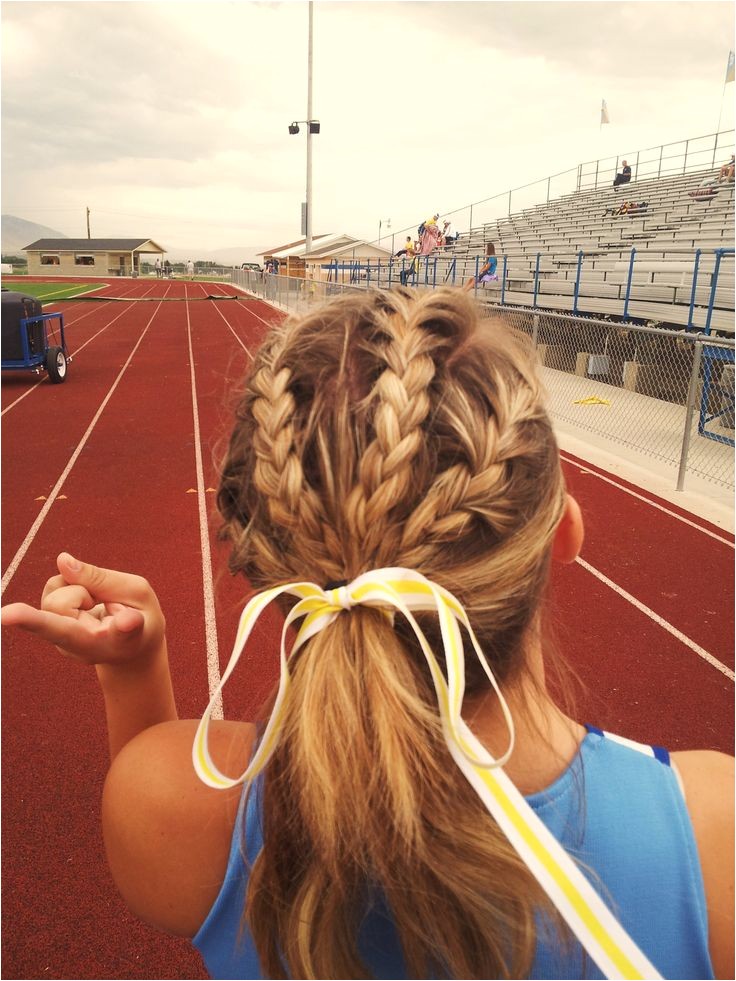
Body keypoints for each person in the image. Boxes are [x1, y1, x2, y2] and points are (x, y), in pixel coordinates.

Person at [1, 289, 732, 981]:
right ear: (562, 532)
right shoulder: (712, 835)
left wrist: (133, 672)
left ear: (263, 566)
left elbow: (148, 785)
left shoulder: (171, 808)